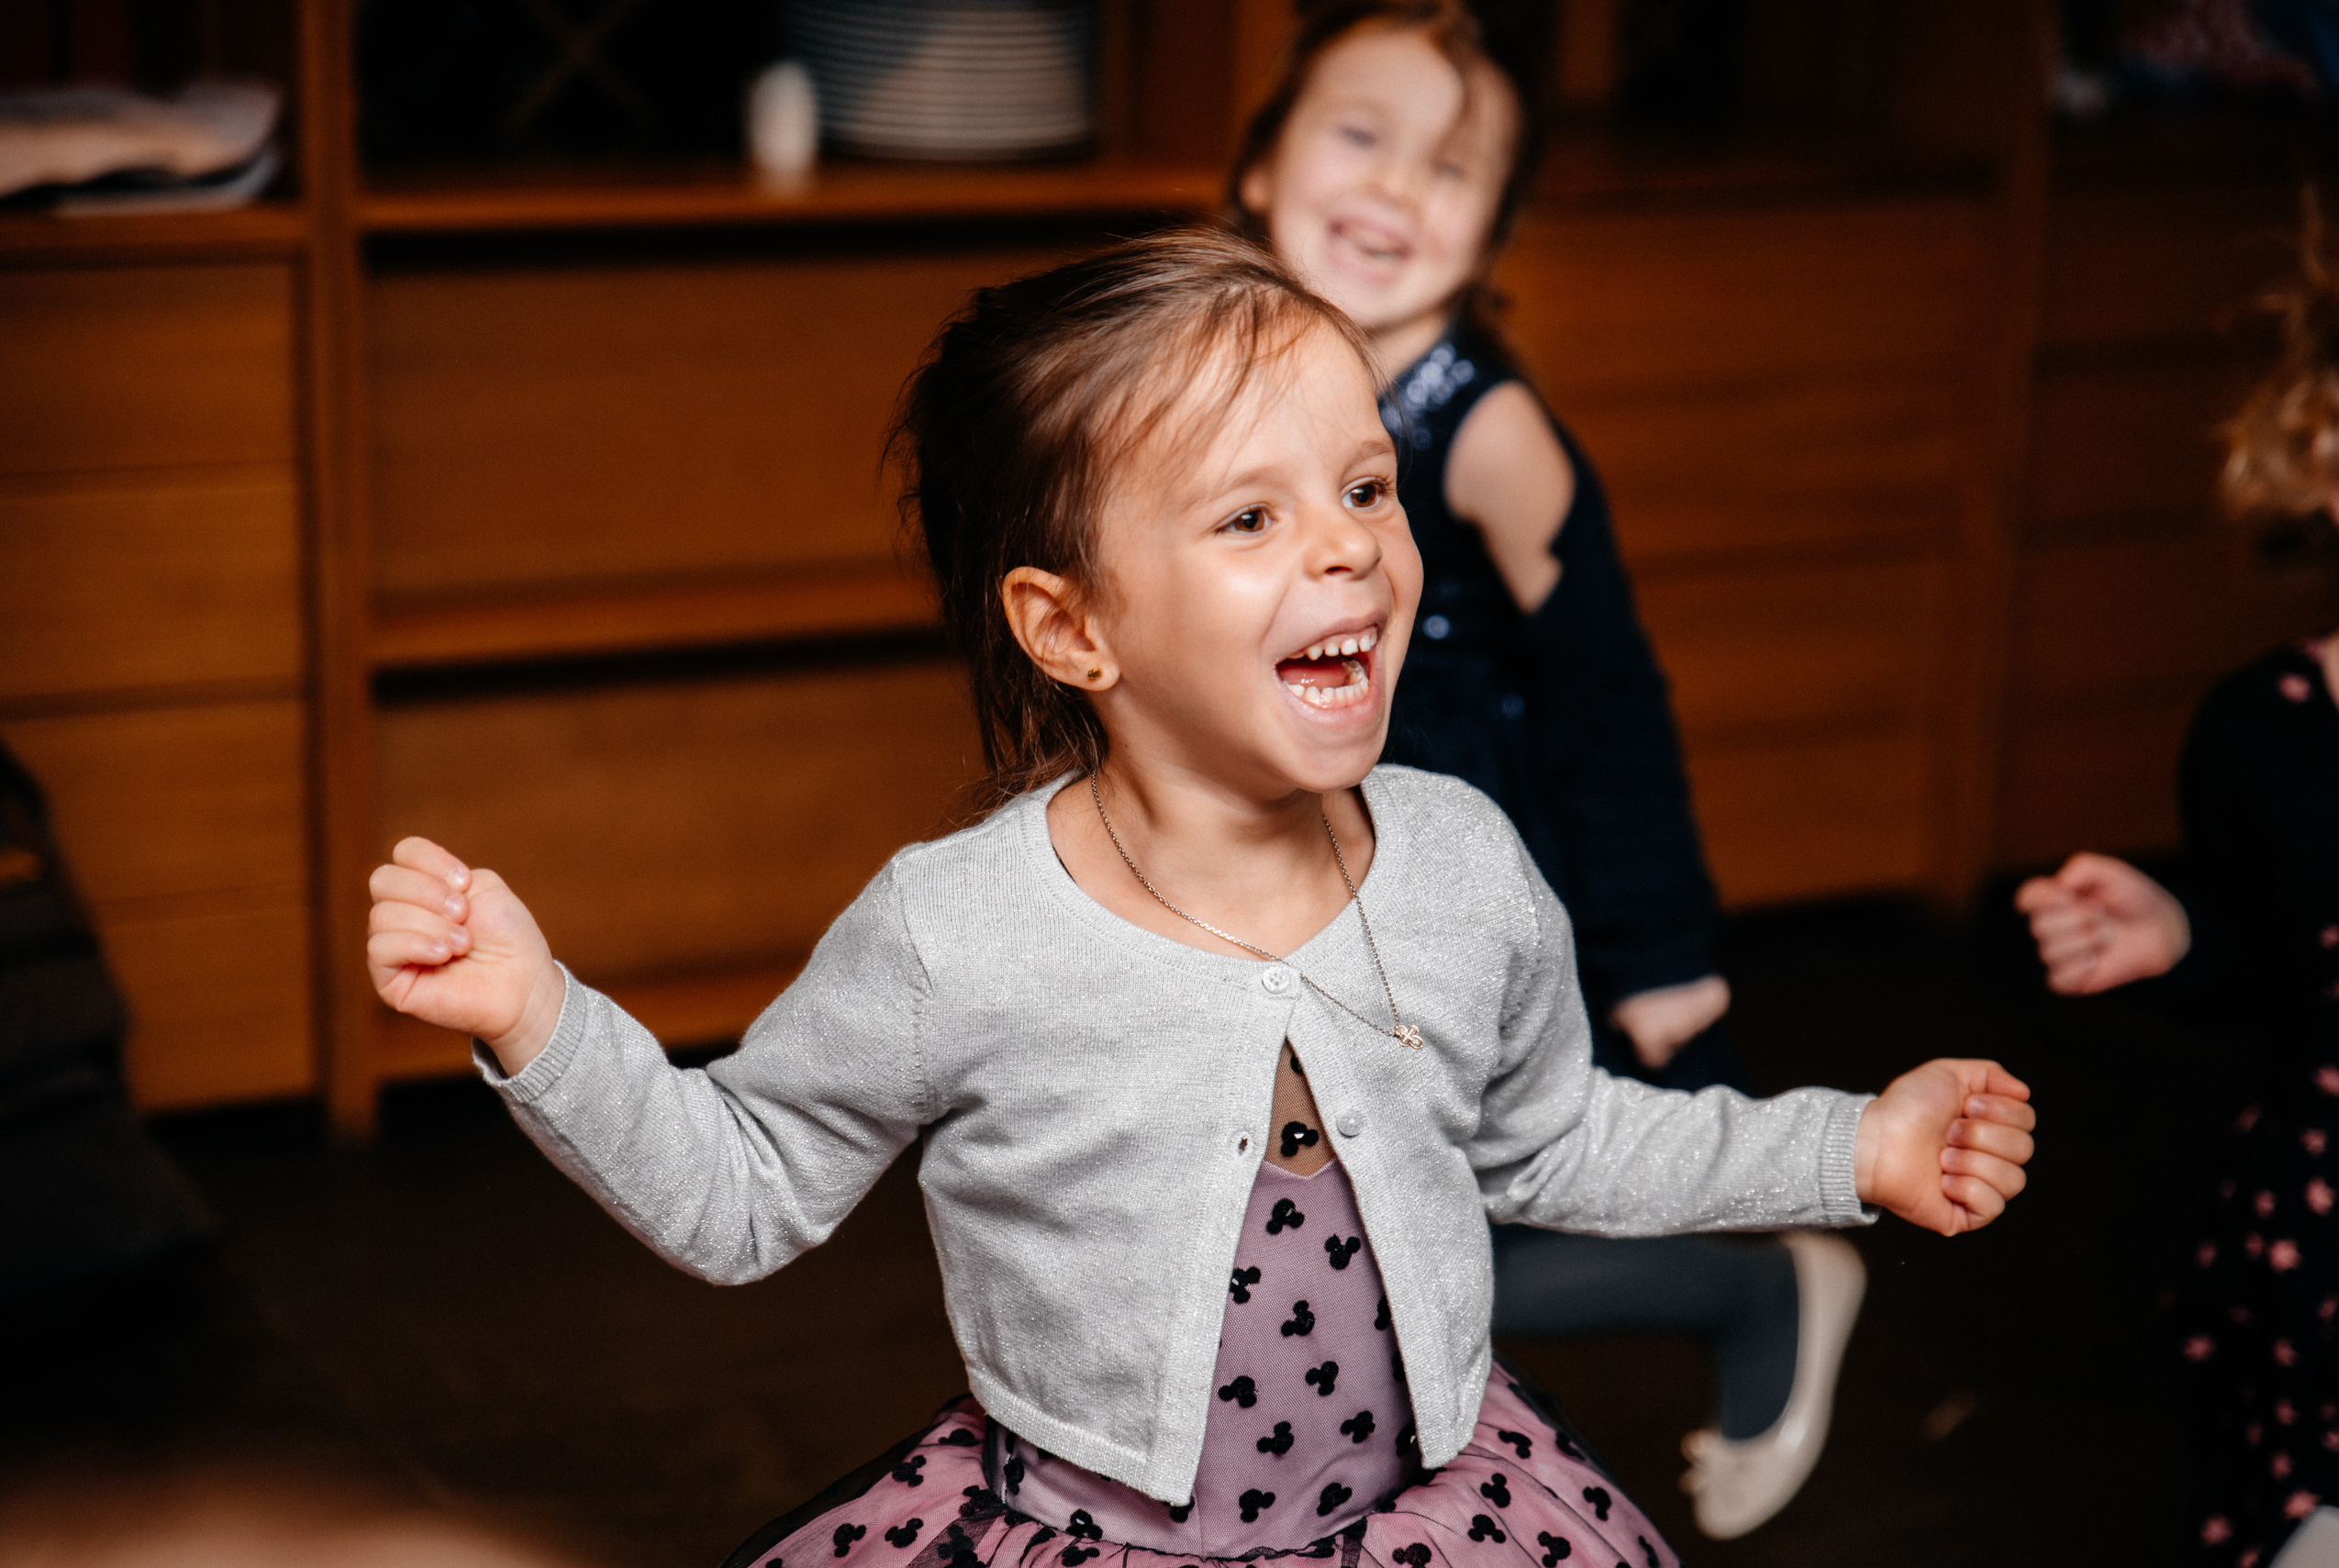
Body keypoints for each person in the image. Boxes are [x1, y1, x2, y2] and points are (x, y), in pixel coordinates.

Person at [367, 229, 2034, 1568]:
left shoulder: (1461, 861)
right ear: (1072, 628)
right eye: (1252, 513)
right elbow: (743, 1193)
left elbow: (1554, 1138)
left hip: (1434, 1519)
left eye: (1368, 486)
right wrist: (539, 1013)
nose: (1350, 549)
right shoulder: (958, 933)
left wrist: (1849, 1146)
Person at [1226, 0, 1863, 1535]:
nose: (1391, 191)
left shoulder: (1490, 432)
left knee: (1424, 1229)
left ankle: (1753, 1286)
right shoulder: (1218, 358)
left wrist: (1657, 948)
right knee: (1295, 1220)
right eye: (1358, 136)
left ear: (1499, 224)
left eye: (1450, 171)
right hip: (1276, 863)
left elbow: (1611, 698)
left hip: (1449, 873)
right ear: (1258, 166)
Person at [2016, 203, 2339, 1568]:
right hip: (2328, 1259)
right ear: (2326, 451)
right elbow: (2281, 962)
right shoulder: (2263, 731)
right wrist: (2181, 930)